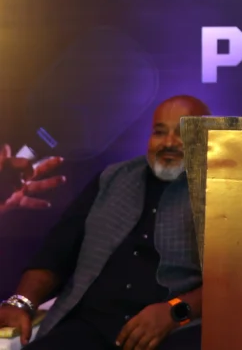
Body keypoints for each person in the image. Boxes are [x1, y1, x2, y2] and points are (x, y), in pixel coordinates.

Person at [0, 95, 210, 350]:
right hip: (89, 327)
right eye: (159, 132)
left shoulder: (223, 191)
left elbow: (233, 285)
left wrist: (174, 313)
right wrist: (21, 302)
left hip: (174, 334)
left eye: (183, 133)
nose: (168, 143)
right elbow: (57, 252)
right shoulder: (111, 179)